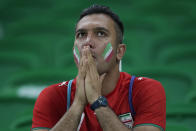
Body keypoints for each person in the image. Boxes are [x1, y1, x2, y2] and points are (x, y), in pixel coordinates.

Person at [31, 4, 166, 131]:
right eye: (81, 34)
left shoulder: (145, 89)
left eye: (100, 33)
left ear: (119, 52)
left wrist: (96, 100)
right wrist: (78, 104)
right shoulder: (52, 96)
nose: (88, 42)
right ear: (74, 51)